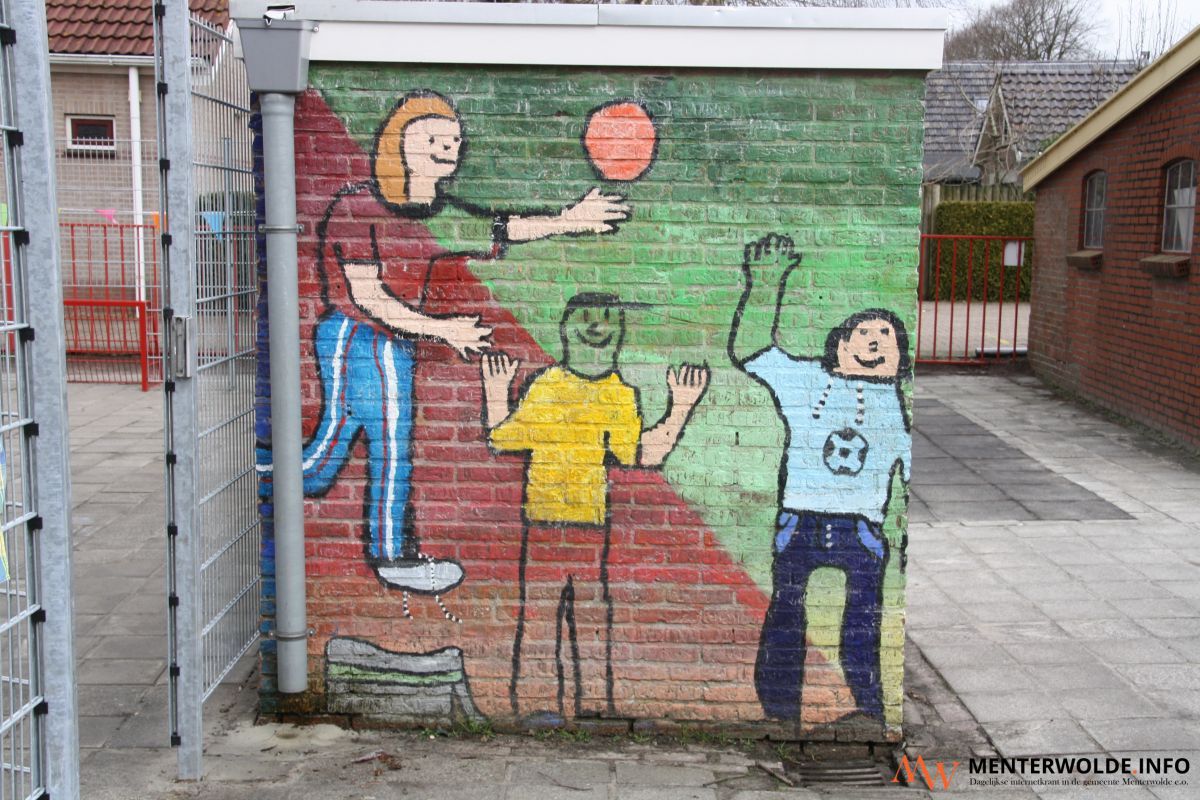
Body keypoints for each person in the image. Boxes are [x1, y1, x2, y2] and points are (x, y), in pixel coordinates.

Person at [259, 91, 631, 597]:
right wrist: (443, 329)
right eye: (433, 138)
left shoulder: (435, 212)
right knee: (392, 447)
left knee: (326, 461)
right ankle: (392, 554)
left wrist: (568, 220)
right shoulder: (358, 206)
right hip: (357, 337)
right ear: (399, 142)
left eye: (453, 140)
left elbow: (501, 228)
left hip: (388, 344)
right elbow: (368, 297)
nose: (447, 148)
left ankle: (262, 473)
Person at [481, 293, 709, 723]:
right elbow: (502, 437)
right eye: (585, 318)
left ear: (618, 334)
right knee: (541, 616)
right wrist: (495, 390)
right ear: (566, 330)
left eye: (606, 319)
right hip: (544, 523)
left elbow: (641, 454)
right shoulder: (546, 386)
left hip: (590, 526)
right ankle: (539, 704)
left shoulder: (620, 395)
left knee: (591, 618)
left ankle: (596, 706)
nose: (595, 327)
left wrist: (681, 406)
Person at [727, 233, 910, 723]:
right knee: (787, 610)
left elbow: (909, 471)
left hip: (862, 528)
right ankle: (780, 709)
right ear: (841, 345)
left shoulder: (896, 405)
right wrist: (765, 286)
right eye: (864, 333)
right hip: (800, 520)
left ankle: (868, 708)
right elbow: (752, 350)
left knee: (863, 619)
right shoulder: (808, 381)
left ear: (900, 357)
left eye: (886, 336)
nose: (875, 341)